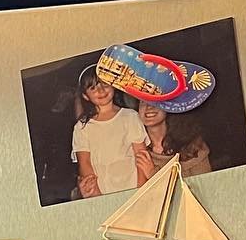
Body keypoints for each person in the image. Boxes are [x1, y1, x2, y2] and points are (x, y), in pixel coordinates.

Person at [72, 67, 147, 198]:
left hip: (132, 188)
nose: (101, 91)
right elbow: (85, 163)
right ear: (85, 96)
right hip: (103, 191)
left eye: (104, 84)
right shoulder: (82, 127)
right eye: (93, 88)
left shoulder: (130, 117)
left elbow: (141, 157)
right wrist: (97, 196)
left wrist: (141, 189)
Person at [137, 99, 212, 178]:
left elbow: (204, 186)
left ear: (170, 106)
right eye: (143, 102)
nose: (149, 107)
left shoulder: (192, 147)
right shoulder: (135, 149)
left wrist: (153, 173)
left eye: (156, 100)